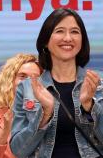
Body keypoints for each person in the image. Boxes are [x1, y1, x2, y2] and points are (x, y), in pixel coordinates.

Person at [10, 8, 103, 157]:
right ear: (45, 41)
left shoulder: (99, 83)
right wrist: (45, 115)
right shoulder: (27, 88)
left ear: (82, 41)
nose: (68, 38)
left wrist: (89, 107)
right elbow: (19, 150)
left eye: (74, 32)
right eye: (60, 31)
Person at [0, 54, 42, 158]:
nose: (28, 83)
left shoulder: (50, 115)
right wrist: (5, 133)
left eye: (35, 77)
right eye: (22, 76)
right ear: (10, 81)